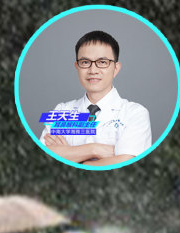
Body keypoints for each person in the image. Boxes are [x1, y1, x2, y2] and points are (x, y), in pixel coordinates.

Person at [40, 30, 152, 166]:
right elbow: (44, 159)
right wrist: (94, 150)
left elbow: (126, 163)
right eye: (85, 62)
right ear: (77, 67)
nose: (93, 70)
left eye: (102, 62)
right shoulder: (61, 111)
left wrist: (74, 158)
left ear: (116, 68)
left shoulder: (135, 113)